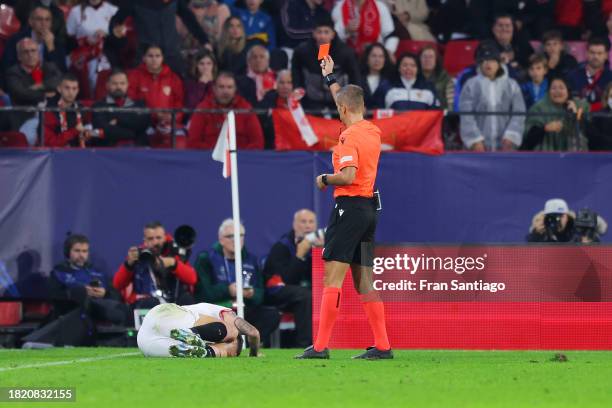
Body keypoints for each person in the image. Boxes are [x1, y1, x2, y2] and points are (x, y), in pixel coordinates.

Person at [295, 55, 392, 360]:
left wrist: (325, 178)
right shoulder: (372, 131)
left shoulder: (347, 139)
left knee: (331, 279)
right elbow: (345, 100)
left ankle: (321, 347)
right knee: (364, 280)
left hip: (347, 210)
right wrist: (330, 76)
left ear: (343, 110)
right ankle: (383, 346)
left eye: (339, 107)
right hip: (368, 212)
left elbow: (347, 176)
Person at [22, 234, 128, 347]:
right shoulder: (59, 272)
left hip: (97, 314)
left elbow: (115, 296)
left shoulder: (98, 273)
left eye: (84, 251)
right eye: (77, 251)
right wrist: (79, 292)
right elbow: (54, 296)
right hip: (70, 314)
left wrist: (104, 293)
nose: (81, 255)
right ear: (68, 252)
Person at [192, 219, 280, 347]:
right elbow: (203, 294)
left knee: (271, 315)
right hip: (218, 311)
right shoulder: (206, 259)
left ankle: (250, 345)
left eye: (240, 236)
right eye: (230, 236)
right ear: (221, 239)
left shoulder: (252, 260)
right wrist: (228, 290)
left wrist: (252, 293)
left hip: (245, 308)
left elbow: (261, 295)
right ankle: (226, 345)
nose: (236, 240)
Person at [263, 209, 321, 348]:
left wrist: (320, 253)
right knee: (306, 295)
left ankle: (328, 341)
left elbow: (322, 278)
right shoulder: (281, 247)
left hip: (303, 292)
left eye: (311, 222)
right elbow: (286, 280)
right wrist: (300, 255)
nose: (307, 226)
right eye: (303, 221)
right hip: (277, 292)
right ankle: (305, 345)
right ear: (295, 225)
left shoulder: (320, 246)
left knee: (322, 294)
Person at [108, 0, 210, 76]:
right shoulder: (134, 1)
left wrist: (204, 40)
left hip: (172, 55)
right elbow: (116, 20)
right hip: (146, 57)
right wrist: (115, 29)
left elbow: (189, 19)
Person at [113, 221, 197, 309]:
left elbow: (192, 279)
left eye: (158, 238)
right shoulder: (140, 255)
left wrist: (174, 264)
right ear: (145, 241)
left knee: (187, 299)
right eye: (150, 238)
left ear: (164, 237)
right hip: (147, 300)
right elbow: (117, 285)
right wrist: (128, 264)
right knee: (151, 303)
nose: (155, 242)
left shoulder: (174, 253)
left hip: (172, 298)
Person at [459, 41, 525, 151]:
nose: (487, 64)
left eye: (491, 60)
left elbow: (519, 112)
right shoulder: (470, 85)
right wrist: (475, 140)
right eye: (483, 61)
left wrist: (511, 137)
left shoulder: (512, 85)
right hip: (478, 149)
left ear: (499, 63)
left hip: (505, 147)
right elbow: (466, 115)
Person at [137, 302, 260, 358]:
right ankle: (209, 349)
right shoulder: (222, 312)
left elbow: (254, 333)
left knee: (189, 349)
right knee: (233, 331)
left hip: (145, 340)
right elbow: (253, 332)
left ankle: (204, 348)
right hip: (168, 317)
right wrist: (254, 355)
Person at [292, 14, 360, 111]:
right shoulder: (302, 51)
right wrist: (297, 89)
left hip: (338, 101)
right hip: (312, 101)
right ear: (314, 34)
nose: (322, 36)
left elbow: (355, 76)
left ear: (333, 34)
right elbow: (296, 70)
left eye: (326, 32)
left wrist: (356, 101)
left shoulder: (345, 52)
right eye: (319, 32)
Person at [5, 38, 61, 146]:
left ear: (38, 53)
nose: (30, 54)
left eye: (33, 51)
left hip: (52, 116)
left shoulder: (49, 67)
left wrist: (39, 86)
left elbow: (58, 82)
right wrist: (45, 93)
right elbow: (21, 93)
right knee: (30, 138)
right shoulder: (13, 72)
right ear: (19, 56)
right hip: (26, 117)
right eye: (25, 52)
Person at [187, 72, 264, 149]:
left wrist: (235, 155)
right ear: (214, 88)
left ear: (235, 89)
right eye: (221, 87)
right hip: (209, 158)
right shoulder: (203, 109)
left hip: (241, 158)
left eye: (229, 87)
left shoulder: (246, 109)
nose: (225, 91)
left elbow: (257, 142)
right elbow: (193, 142)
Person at [127, 44, 185, 147]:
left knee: (181, 141)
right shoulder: (134, 76)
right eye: (150, 56)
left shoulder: (173, 78)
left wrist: (171, 117)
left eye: (157, 56)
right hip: (143, 123)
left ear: (162, 58)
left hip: (169, 123)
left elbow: (179, 103)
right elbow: (130, 101)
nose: (154, 59)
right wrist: (152, 115)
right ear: (144, 58)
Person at [65, 0, 118, 100]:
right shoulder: (76, 11)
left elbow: (120, 39)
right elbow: (68, 39)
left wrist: (106, 36)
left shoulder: (113, 10)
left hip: (106, 59)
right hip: (82, 58)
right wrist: (85, 40)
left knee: (102, 92)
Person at [521, 77, 589, 152]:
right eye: (553, 88)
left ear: (568, 91)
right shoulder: (538, 108)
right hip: (546, 157)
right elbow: (528, 139)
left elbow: (587, 130)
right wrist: (545, 128)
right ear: (548, 91)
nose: (557, 91)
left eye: (561, 87)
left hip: (572, 156)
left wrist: (575, 115)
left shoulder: (579, 106)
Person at [91, 69, 151, 146]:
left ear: (127, 85)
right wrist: (132, 132)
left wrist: (117, 120)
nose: (118, 86)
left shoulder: (139, 105)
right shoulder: (98, 106)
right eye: (114, 83)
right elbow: (102, 131)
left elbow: (143, 126)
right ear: (107, 85)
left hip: (137, 151)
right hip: (108, 152)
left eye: (122, 83)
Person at [1, 5, 67, 73]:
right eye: (39, 19)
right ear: (30, 22)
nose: (43, 23)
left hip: (47, 82)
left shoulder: (56, 44)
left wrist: (51, 49)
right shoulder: (15, 40)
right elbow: (7, 67)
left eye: (47, 20)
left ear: (51, 23)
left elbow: (61, 71)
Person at [43, 73, 101, 147]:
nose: (71, 92)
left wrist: (89, 134)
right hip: (57, 155)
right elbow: (50, 143)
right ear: (59, 89)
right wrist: (74, 131)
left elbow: (97, 132)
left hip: (81, 153)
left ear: (78, 90)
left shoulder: (83, 110)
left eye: (74, 88)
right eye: (67, 88)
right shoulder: (49, 111)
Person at [331, 0, 396, 55]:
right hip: (347, 57)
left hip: (373, 57)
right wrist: (345, 30)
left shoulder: (380, 7)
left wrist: (388, 51)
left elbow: (390, 35)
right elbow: (330, 37)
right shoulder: (340, 8)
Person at [567, 37, 612, 112]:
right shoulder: (572, 76)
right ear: (586, 53)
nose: (595, 56)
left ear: (606, 55)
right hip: (577, 118)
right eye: (592, 52)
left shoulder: (610, 77)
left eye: (599, 53)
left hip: (605, 120)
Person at [255, 69, 294, 149]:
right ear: (276, 84)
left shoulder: (301, 102)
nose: (285, 86)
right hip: (272, 146)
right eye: (282, 82)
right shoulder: (267, 101)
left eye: (289, 83)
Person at [359, 42, 394, 110]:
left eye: (381, 56)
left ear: (385, 59)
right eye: (373, 56)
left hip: (384, 119)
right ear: (367, 58)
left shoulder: (390, 80)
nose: (377, 60)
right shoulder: (358, 79)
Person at [419, 45, 454, 110]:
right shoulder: (414, 77)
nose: (427, 60)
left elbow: (451, 104)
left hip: (439, 116)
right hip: (418, 116)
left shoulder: (445, 78)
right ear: (419, 59)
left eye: (431, 57)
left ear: (436, 60)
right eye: (424, 57)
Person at [587, 82, 612, 150]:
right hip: (603, 157)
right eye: (611, 96)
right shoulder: (597, 116)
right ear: (607, 98)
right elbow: (593, 139)